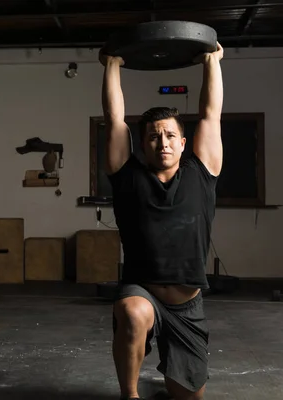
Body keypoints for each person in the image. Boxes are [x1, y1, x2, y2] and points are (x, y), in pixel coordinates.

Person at [100, 42, 224, 400]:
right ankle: (130, 395)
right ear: (143, 144)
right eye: (153, 136)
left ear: (183, 143)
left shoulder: (202, 173)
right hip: (143, 291)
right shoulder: (128, 176)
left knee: (187, 396)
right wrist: (113, 63)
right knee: (132, 312)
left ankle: (172, 378)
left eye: (170, 135)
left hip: (187, 305)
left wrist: (211, 62)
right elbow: (114, 120)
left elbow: (211, 115)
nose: (162, 142)